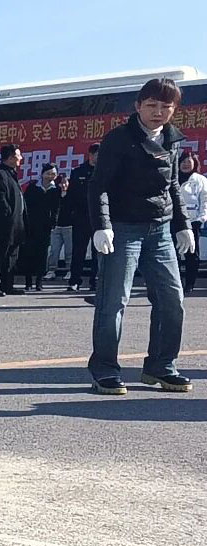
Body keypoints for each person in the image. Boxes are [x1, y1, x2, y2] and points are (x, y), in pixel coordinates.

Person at [87, 78, 194, 395]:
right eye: (151, 105)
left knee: (172, 300)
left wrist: (183, 224)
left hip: (160, 230)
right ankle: (104, 369)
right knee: (113, 301)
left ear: (174, 109)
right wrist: (102, 225)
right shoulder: (119, 139)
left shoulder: (172, 140)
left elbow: (172, 187)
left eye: (166, 106)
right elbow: (99, 185)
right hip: (123, 228)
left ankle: (161, 366)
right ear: (138, 106)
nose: (158, 112)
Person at [0, 144, 27, 297]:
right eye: (18, 155)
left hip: (16, 225)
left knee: (11, 257)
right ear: (10, 158)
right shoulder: (0, 175)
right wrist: (8, 218)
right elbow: (0, 202)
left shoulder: (12, 175)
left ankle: (8, 285)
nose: (21, 158)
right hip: (4, 225)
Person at [67, 143, 100, 292]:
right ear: (91, 155)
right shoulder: (78, 172)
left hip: (99, 217)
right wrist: (72, 214)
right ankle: (75, 281)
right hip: (81, 217)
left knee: (98, 251)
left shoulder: (104, 171)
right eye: (97, 155)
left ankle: (95, 280)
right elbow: (71, 196)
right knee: (78, 251)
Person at [22, 162, 60, 291]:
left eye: (53, 174)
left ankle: (39, 282)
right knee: (29, 253)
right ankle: (28, 282)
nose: (50, 176)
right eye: (48, 173)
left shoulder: (56, 189)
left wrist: (53, 222)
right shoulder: (33, 187)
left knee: (42, 255)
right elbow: (26, 205)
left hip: (45, 226)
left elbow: (56, 208)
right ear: (42, 174)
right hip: (31, 225)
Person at [177, 150, 206, 294]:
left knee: (191, 253)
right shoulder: (173, 178)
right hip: (173, 221)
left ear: (195, 163)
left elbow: (205, 201)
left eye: (189, 161)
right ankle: (175, 282)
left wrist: (201, 218)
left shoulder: (200, 180)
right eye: (183, 162)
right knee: (173, 253)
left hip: (192, 221)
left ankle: (189, 284)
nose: (186, 164)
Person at [45, 173, 73, 281]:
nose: (63, 185)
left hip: (69, 226)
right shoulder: (54, 194)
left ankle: (69, 270)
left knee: (69, 251)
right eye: (61, 183)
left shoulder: (72, 194)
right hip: (56, 226)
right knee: (54, 250)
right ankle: (51, 270)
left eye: (65, 182)